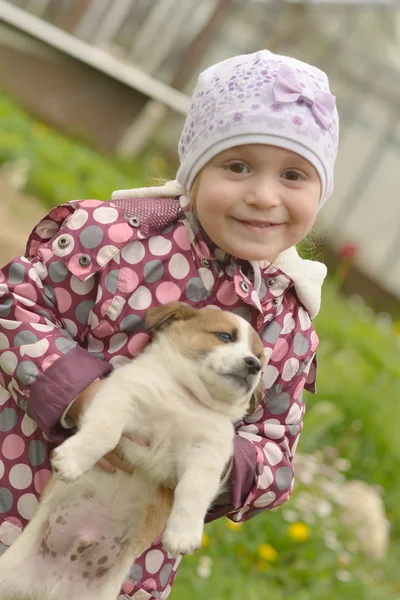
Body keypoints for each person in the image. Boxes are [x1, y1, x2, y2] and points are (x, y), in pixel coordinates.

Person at [0, 48, 338, 599]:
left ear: (319, 194)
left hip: (122, 563)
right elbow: (14, 303)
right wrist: (82, 394)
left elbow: (276, 450)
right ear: (194, 169)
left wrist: (210, 461)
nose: (263, 195)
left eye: (295, 175)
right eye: (237, 165)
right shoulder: (112, 238)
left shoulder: (289, 322)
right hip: (20, 485)